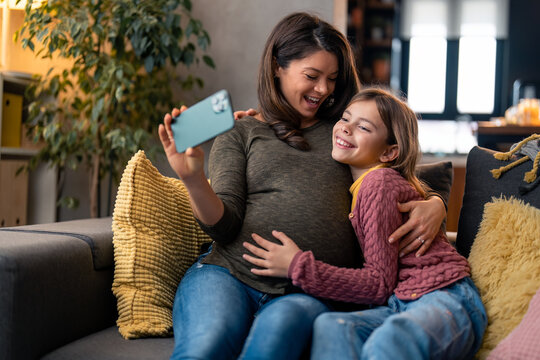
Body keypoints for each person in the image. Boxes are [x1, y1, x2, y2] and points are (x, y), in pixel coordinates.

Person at [158, 12, 446, 360]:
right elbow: (224, 226)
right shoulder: (242, 131)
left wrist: (437, 204)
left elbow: (401, 175)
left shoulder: (345, 133)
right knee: (207, 346)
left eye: (332, 79)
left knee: (271, 344)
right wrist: (192, 179)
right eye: (311, 76)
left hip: (305, 290)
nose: (323, 90)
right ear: (278, 66)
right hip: (229, 274)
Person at [242, 87, 487, 360]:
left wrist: (297, 266)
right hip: (401, 303)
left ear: (389, 152)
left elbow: (378, 283)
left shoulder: (378, 184)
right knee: (332, 325)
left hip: (444, 298)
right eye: (345, 118)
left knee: (388, 344)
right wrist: (259, 122)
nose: (346, 129)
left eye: (363, 127)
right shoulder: (360, 186)